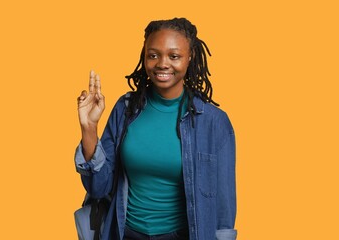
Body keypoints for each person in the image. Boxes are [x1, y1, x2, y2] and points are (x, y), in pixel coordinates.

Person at [75, 17, 237, 240]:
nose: (162, 63)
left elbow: (224, 203)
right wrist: (89, 127)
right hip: (125, 233)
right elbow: (98, 188)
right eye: (153, 55)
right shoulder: (126, 109)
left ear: (189, 58)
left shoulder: (213, 122)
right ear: (144, 57)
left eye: (174, 56)